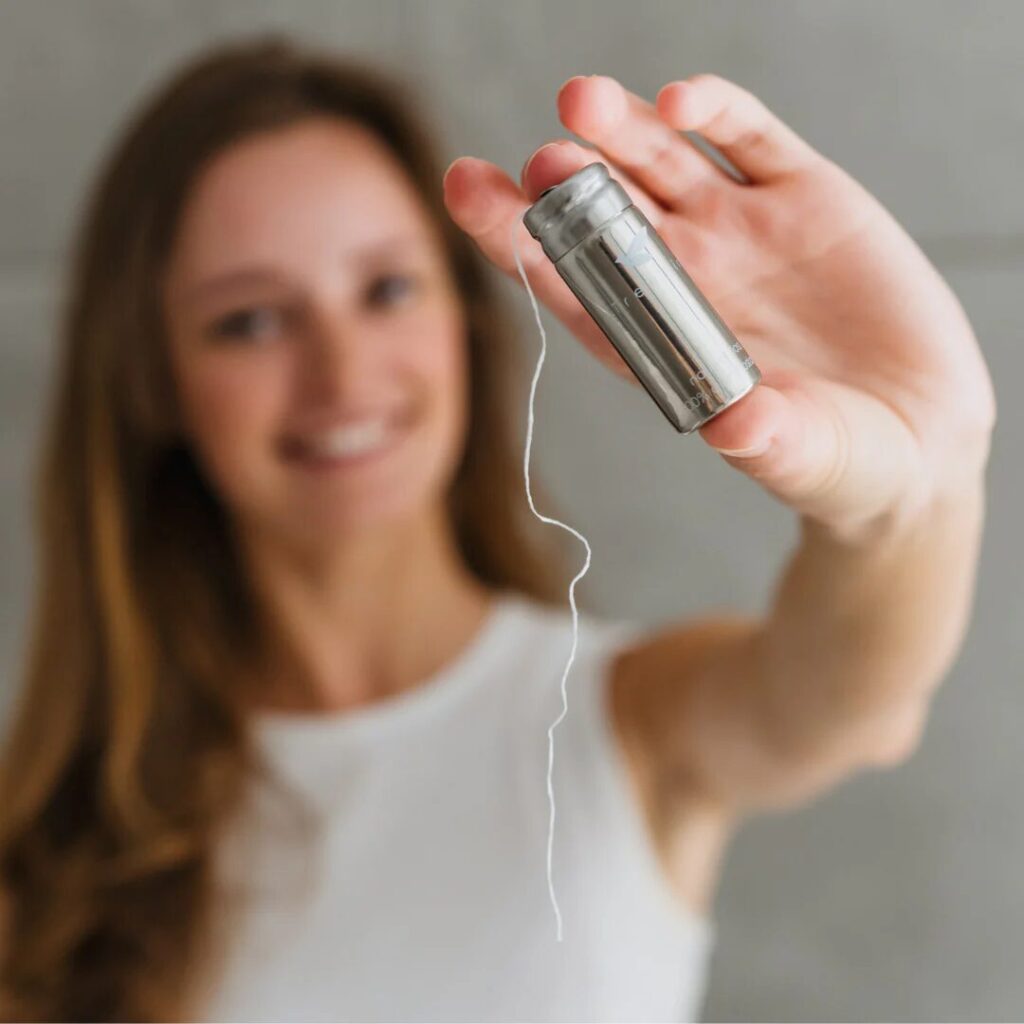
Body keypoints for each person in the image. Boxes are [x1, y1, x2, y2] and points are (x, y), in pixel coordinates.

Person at [0, 33, 995, 1024]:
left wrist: (913, 494)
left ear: (463, 326)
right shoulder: (48, 849)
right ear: (152, 378)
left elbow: (855, 704)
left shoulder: (629, 724)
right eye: (251, 320)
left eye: (387, 289)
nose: (342, 376)